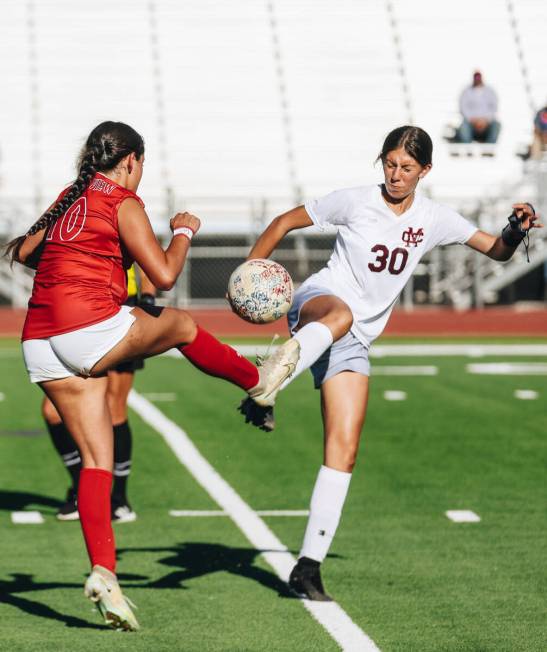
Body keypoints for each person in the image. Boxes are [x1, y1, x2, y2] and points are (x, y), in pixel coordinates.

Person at [6, 121, 298, 631]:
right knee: (182, 324)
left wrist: (81, 266)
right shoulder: (122, 200)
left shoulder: (69, 195)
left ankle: (105, 575)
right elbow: (163, 276)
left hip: (38, 339)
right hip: (86, 327)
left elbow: (27, 254)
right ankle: (257, 381)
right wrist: (183, 231)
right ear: (132, 160)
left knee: (98, 459)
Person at [239, 125, 540, 601]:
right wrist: (249, 276)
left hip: (355, 340)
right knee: (339, 312)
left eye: (406, 168)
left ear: (426, 171)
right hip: (320, 304)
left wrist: (515, 228)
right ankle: (265, 385)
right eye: (389, 164)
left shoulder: (435, 218)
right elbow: (282, 222)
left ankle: (308, 567)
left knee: (344, 451)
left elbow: (497, 251)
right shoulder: (355, 201)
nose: (395, 175)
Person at [43, 265, 156, 523]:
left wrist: (148, 297)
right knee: (52, 412)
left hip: (120, 306)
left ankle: (119, 498)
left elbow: (146, 253)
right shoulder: (64, 222)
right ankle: (79, 488)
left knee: (115, 406)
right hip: (76, 308)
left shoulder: (121, 221)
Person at [455, 71, 500, 145]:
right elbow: (463, 108)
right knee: (464, 127)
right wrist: (473, 120)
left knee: (496, 125)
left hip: (486, 123)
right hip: (471, 122)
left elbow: (494, 108)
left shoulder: (490, 91)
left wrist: (485, 120)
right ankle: (467, 149)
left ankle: (488, 150)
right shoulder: (466, 91)